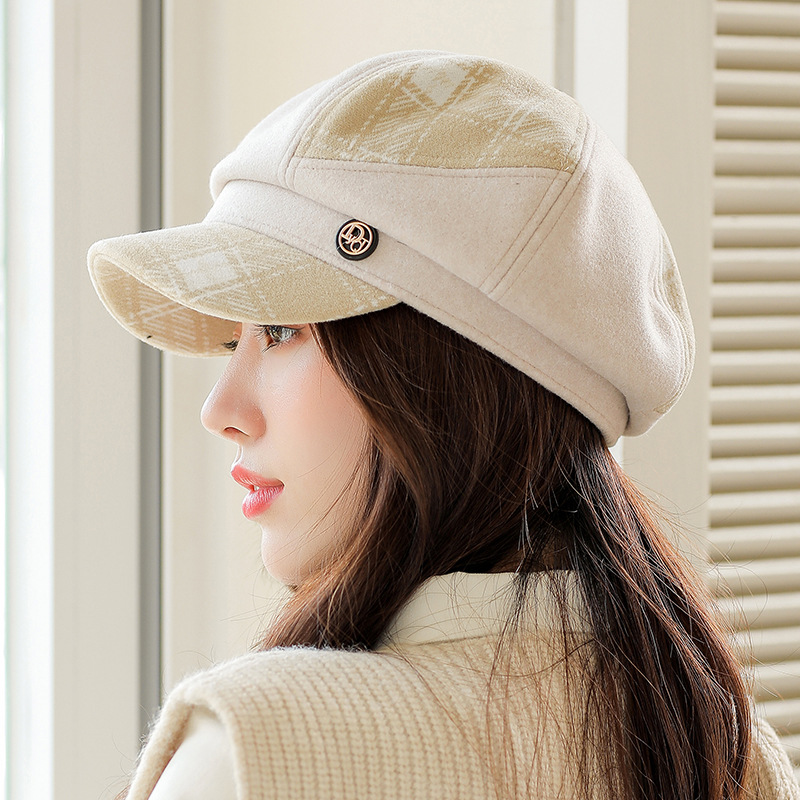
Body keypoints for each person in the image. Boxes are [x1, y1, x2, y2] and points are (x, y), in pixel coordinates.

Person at [88, 51, 800, 800]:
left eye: (281, 329)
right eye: (235, 342)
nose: (220, 411)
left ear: (437, 372)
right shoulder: (722, 745)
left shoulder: (253, 751)